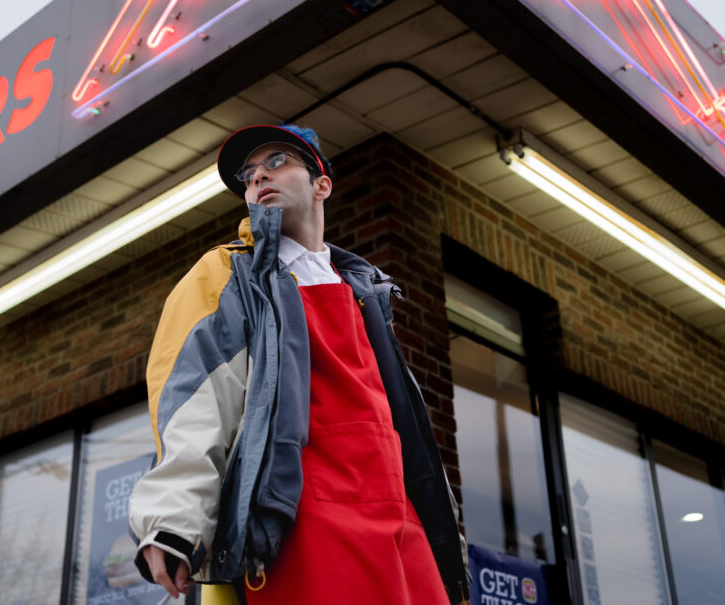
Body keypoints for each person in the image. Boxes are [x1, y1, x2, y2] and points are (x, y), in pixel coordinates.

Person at [128, 124, 469, 604]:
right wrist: (171, 519)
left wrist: (444, 547)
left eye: (277, 162)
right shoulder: (226, 275)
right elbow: (195, 400)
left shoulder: (367, 293)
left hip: (400, 529)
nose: (258, 179)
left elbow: (406, 435)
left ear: (321, 184)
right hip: (296, 525)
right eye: (248, 176)